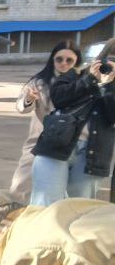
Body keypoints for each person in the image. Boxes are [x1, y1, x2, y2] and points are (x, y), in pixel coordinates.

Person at [29, 41, 115, 206]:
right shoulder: (79, 73)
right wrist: (91, 79)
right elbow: (59, 97)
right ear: (102, 58)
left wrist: (107, 86)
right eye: (110, 59)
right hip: (57, 143)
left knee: (79, 209)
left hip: (93, 153)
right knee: (45, 204)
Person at [9, 41, 80, 199]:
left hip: (74, 143)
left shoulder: (83, 83)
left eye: (69, 60)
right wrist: (28, 99)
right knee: (21, 186)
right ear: (52, 60)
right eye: (59, 59)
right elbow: (22, 108)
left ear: (77, 62)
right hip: (40, 140)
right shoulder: (40, 82)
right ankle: (21, 218)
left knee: (70, 193)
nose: (63, 63)